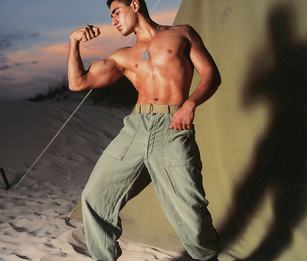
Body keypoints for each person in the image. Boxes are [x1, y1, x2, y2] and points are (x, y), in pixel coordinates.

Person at [67, 0, 223, 260]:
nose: (114, 20)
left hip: (172, 128)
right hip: (135, 129)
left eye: (116, 12)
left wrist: (190, 103)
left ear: (135, 4)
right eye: (111, 16)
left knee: (192, 216)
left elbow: (210, 74)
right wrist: (73, 41)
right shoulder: (122, 56)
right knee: (94, 199)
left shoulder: (182, 34)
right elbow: (77, 83)